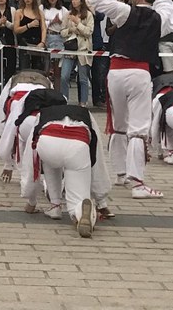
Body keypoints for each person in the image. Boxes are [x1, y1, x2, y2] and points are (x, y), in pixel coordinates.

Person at [88, 0, 173, 200]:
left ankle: (120, 173)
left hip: (116, 72)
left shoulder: (124, 11)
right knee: (137, 128)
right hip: (139, 73)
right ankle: (136, 182)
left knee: (119, 124)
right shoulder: (160, 19)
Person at [28, 91, 113, 236]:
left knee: (48, 161)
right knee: (78, 197)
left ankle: (55, 205)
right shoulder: (84, 113)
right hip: (77, 145)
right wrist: (101, 200)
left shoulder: (42, 114)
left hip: (49, 143)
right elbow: (97, 157)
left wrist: (30, 199)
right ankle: (80, 213)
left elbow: (30, 162)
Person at [59, 0, 93, 105]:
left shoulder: (88, 15)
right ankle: (64, 100)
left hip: (83, 49)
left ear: (81, 0)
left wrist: (77, 23)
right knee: (64, 76)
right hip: (70, 48)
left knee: (83, 78)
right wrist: (70, 30)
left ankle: (83, 103)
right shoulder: (68, 14)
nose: (73, 1)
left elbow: (88, 32)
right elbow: (62, 32)